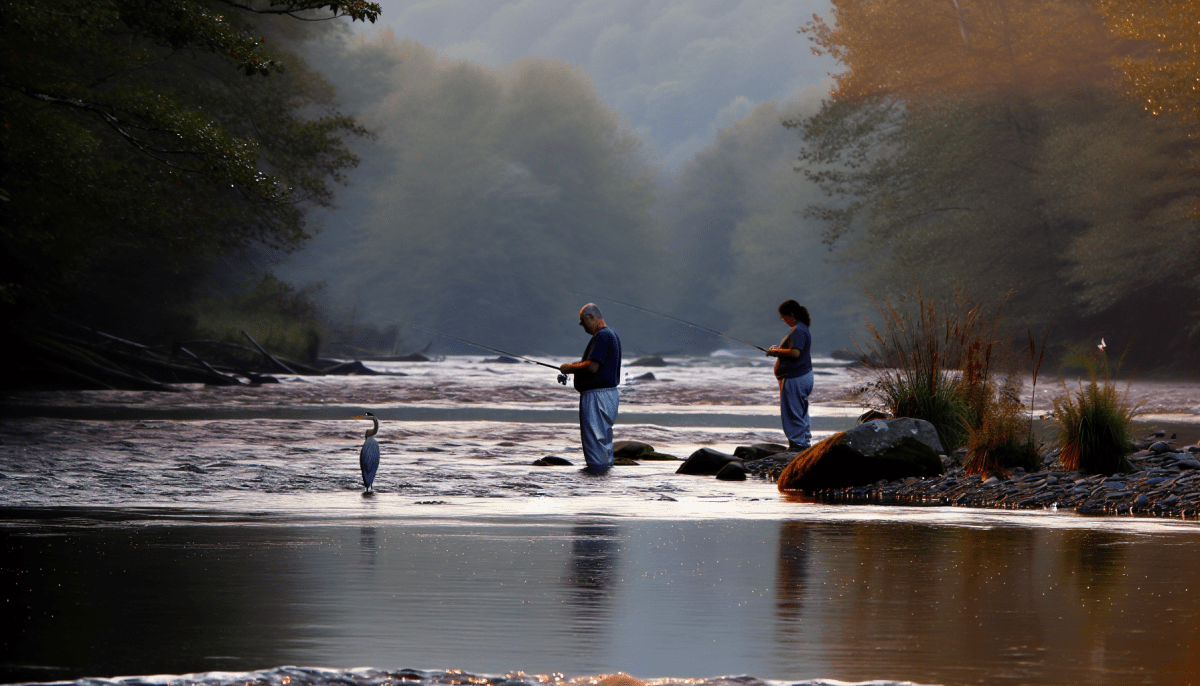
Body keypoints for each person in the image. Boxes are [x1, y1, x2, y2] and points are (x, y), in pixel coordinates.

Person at [559, 303, 622, 471]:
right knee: (602, 440)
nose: (582, 325)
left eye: (583, 321)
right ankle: (604, 473)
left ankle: (597, 480)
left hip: (597, 396)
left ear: (592, 317)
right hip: (608, 395)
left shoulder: (603, 336)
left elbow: (593, 366)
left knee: (594, 441)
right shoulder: (612, 335)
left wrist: (569, 367)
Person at [766, 300, 813, 451]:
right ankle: (803, 442)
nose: (783, 319)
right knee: (800, 411)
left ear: (791, 315)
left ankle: (797, 445)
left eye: (783, 316)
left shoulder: (798, 330)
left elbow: (795, 352)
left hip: (795, 377)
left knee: (792, 412)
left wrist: (775, 352)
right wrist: (778, 351)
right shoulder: (801, 328)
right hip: (802, 376)